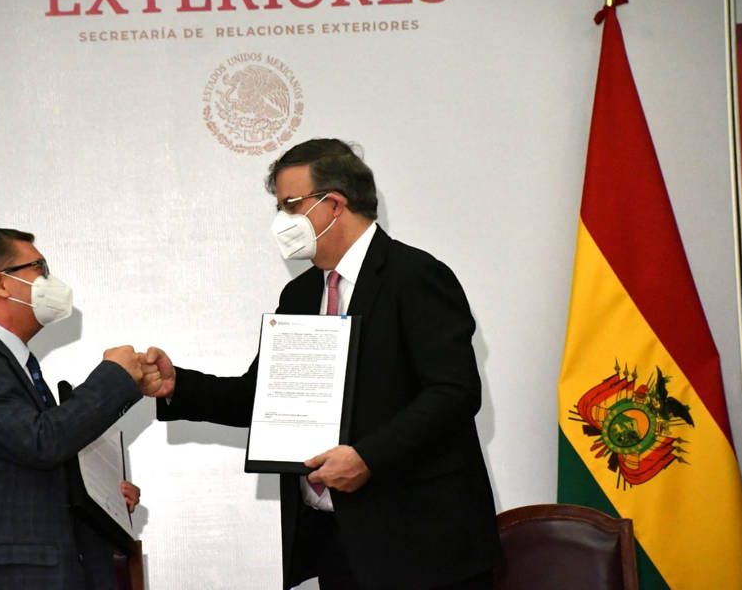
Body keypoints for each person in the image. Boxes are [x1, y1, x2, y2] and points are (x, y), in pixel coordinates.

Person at [145, 139, 501, 589]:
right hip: (339, 543)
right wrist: (178, 386)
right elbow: (264, 398)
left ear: (334, 203)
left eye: (290, 206)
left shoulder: (415, 276)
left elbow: (454, 393)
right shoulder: (299, 295)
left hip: (424, 547)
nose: (282, 221)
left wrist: (368, 458)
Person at [0, 228, 155, 590]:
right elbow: (42, 441)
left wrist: (101, 493)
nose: (50, 280)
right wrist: (114, 375)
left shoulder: (10, 365)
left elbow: (26, 462)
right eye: (39, 268)